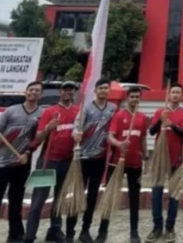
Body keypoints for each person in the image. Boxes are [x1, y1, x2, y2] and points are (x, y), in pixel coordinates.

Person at [0, 81, 44, 243]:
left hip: (21, 164)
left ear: (40, 94)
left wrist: (28, 153)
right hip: (0, 163)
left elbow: (38, 139)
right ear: (25, 92)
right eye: (31, 90)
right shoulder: (11, 111)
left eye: (37, 91)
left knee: (16, 201)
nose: (33, 93)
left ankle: (15, 235)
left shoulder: (41, 115)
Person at [24, 81, 80, 243]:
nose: (68, 92)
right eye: (65, 90)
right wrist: (48, 127)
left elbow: (80, 134)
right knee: (38, 201)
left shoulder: (78, 112)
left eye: (71, 90)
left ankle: (55, 230)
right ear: (60, 92)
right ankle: (29, 236)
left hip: (67, 161)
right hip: (48, 161)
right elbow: (38, 138)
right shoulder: (50, 111)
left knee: (59, 200)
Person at [67, 78, 117, 243]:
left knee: (92, 197)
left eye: (106, 88)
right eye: (101, 88)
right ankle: (69, 232)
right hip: (82, 158)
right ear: (95, 90)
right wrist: (76, 133)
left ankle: (85, 230)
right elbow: (76, 127)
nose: (104, 90)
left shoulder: (112, 108)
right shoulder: (86, 108)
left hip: (99, 158)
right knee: (77, 196)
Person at [96, 86, 148, 243]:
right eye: (132, 96)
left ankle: (134, 232)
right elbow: (110, 137)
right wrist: (119, 144)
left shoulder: (142, 117)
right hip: (117, 162)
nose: (135, 99)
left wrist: (145, 155)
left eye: (137, 97)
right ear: (127, 98)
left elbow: (143, 138)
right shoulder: (119, 116)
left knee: (134, 198)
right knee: (110, 197)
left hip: (135, 163)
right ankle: (102, 232)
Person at [146, 82, 183, 243]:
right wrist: (160, 120)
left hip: (175, 159)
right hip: (159, 160)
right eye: (173, 92)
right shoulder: (160, 111)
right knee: (156, 194)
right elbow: (151, 132)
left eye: (178, 92)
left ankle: (170, 227)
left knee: (174, 195)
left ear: (181, 95)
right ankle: (157, 227)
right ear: (169, 94)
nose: (175, 95)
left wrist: (172, 124)